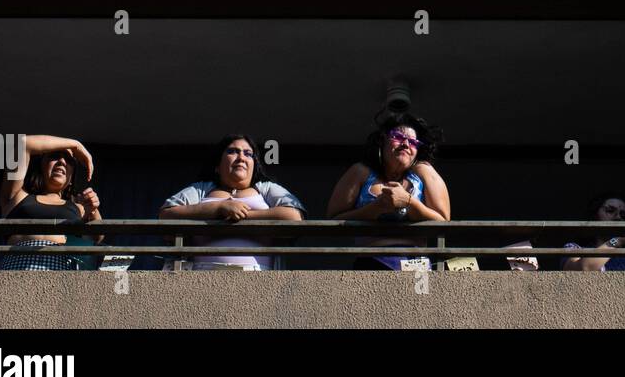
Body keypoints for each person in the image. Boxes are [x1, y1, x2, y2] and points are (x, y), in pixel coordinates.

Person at [159, 134, 305, 270]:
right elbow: (166, 215)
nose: (241, 157)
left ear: (254, 165)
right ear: (217, 165)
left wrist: (242, 215)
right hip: (202, 274)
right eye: (233, 151)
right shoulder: (201, 189)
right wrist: (219, 208)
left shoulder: (266, 189)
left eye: (248, 154)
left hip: (258, 276)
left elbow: (294, 217)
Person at [326, 113, 450, 270]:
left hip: (418, 264)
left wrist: (408, 202)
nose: (406, 144)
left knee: (420, 294)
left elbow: (444, 222)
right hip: (372, 263)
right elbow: (332, 221)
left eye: (413, 142)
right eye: (398, 136)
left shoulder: (423, 171)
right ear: (382, 140)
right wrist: (376, 208)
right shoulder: (360, 172)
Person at [0, 135, 102, 270]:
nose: (62, 162)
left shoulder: (79, 208)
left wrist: (93, 210)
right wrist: (75, 145)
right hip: (16, 266)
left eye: (69, 160)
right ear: (41, 166)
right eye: (55, 156)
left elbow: (97, 237)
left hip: (60, 268)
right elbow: (23, 145)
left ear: (71, 178)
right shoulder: (17, 195)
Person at [560, 193, 625, 272]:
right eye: (610, 210)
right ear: (595, 215)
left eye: (622, 214)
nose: (618, 217)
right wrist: (618, 240)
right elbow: (582, 270)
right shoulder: (574, 248)